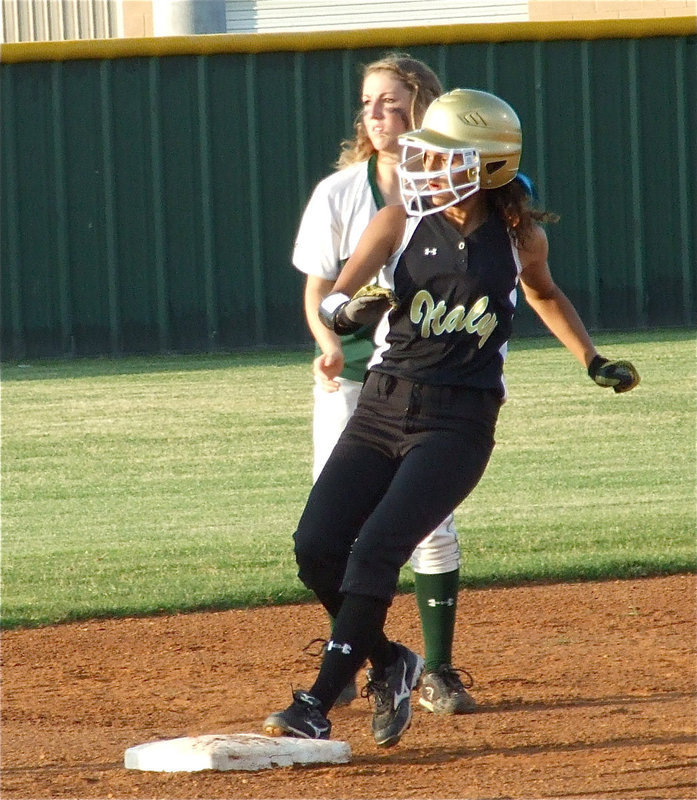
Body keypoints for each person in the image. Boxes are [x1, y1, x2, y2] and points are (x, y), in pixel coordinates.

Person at [264, 87, 639, 748]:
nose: (426, 166)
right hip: (381, 404)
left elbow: (543, 294)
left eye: (446, 156)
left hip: (458, 422)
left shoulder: (520, 235)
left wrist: (590, 358)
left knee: (379, 546)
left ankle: (316, 700)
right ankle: (390, 663)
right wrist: (351, 311)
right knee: (316, 546)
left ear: (488, 167)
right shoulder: (399, 218)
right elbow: (337, 299)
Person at [292, 53, 476, 715]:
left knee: (428, 525)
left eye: (390, 101)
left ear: (422, 109)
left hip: (431, 385)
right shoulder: (340, 192)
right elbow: (319, 290)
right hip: (356, 386)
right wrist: (328, 343)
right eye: (368, 101)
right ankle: (374, 658)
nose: (374, 112)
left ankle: (440, 670)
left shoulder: (459, 190)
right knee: (326, 533)